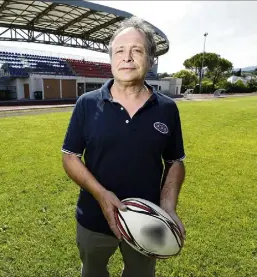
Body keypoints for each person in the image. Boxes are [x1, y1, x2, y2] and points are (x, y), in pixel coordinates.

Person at [61, 16, 186, 277]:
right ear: (111, 59)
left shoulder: (167, 108)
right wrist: (101, 196)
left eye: (137, 50)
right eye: (120, 50)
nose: (127, 57)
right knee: (93, 272)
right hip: (94, 219)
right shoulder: (86, 103)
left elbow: (175, 161)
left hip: (147, 219)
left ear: (151, 59)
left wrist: (168, 205)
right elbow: (70, 156)